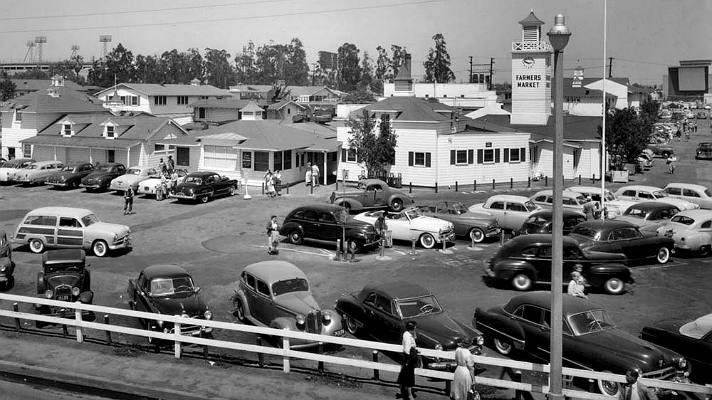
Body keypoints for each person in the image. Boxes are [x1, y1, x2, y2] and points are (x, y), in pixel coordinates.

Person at [397, 321, 418, 400]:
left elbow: (415, 338)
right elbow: (407, 349)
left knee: (404, 375)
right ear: (411, 328)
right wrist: (409, 359)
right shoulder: (408, 337)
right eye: (414, 328)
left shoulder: (407, 334)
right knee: (409, 377)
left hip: (408, 357)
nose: (415, 329)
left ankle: (402, 391)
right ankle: (409, 395)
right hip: (409, 358)